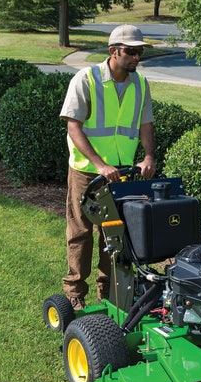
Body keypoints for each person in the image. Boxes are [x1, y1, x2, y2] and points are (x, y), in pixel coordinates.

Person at [59, 24, 156, 310]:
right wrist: (100, 165)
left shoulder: (140, 84)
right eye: (131, 51)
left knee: (114, 235)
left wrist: (148, 157)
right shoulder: (85, 79)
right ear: (113, 51)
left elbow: (146, 124)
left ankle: (109, 293)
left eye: (140, 52)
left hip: (123, 174)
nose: (137, 57)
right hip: (87, 172)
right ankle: (74, 292)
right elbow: (73, 126)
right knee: (81, 232)